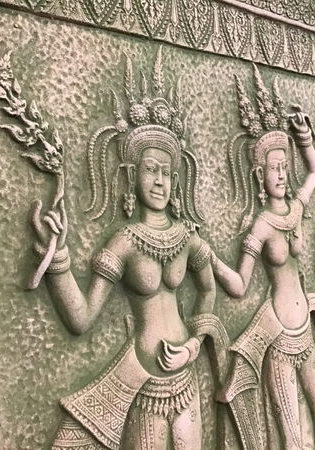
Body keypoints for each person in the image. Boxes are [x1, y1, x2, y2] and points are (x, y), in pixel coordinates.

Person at [34, 48, 224, 450]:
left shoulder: (186, 238)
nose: (159, 182)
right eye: (150, 170)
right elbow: (82, 318)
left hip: (186, 380)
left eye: (167, 173)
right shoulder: (123, 241)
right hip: (145, 388)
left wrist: (193, 346)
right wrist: (59, 257)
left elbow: (208, 290)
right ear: (131, 175)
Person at [211, 65, 315, 450]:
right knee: (291, 433)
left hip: (306, 332)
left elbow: (314, 172)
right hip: (279, 337)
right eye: (273, 169)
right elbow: (239, 285)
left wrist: (304, 139)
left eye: (283, 168)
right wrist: (210, 258)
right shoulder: (262, 226)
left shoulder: (296, 209)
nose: (280, 175)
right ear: (259, 175)